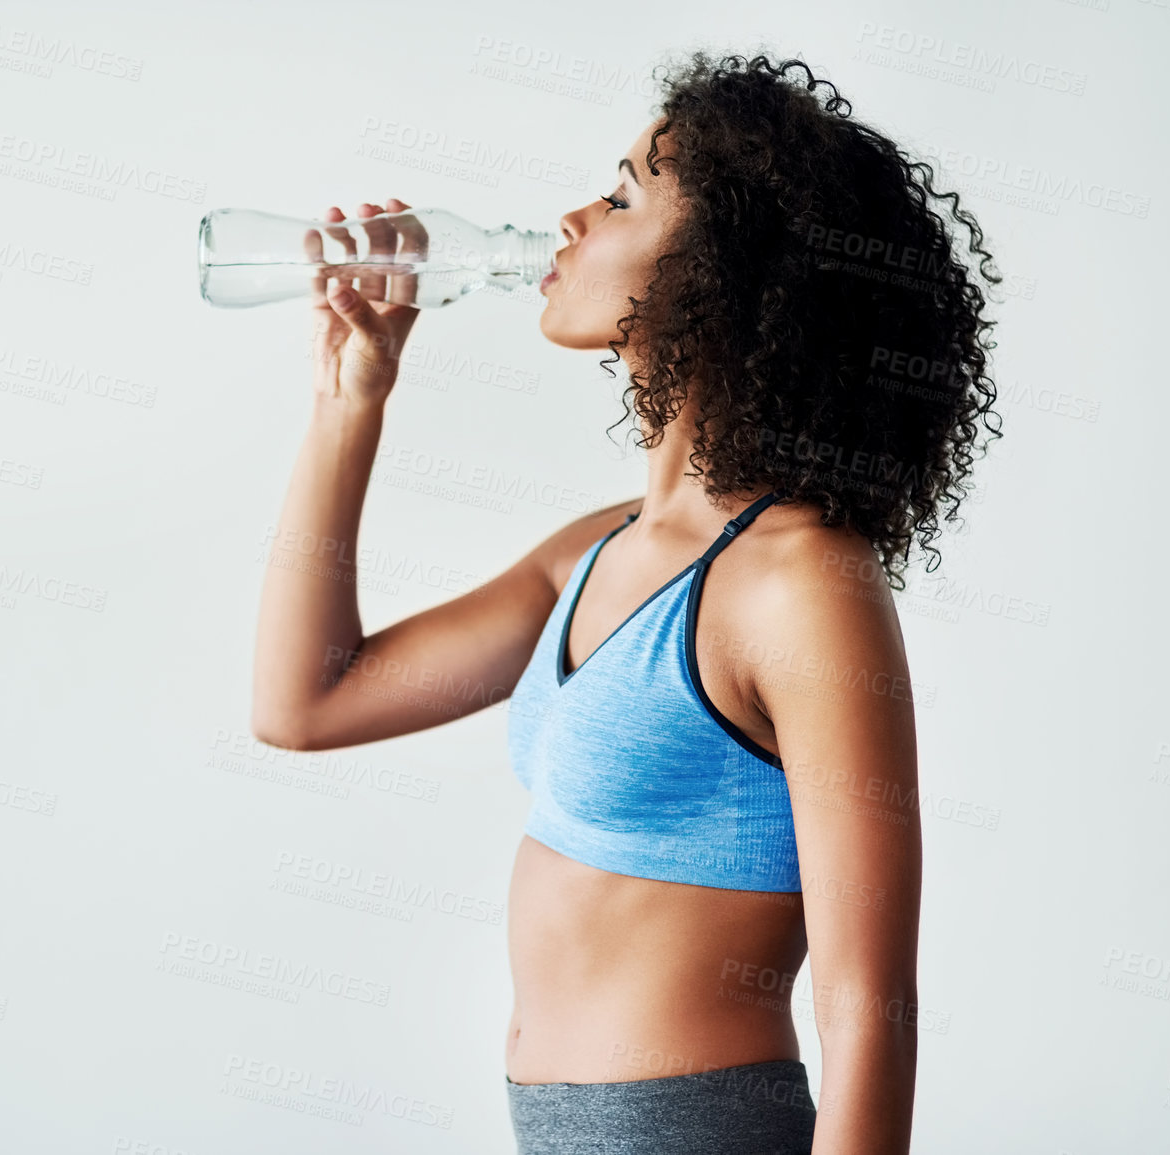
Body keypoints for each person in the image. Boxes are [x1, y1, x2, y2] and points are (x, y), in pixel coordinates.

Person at [251, 52, 1001, 1155]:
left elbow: (868, 1006)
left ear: (723, 271)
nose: (570, 218)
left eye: (619, 195)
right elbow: (306, 703)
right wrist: (348, 403)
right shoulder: (596, 551)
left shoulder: (803, 583)